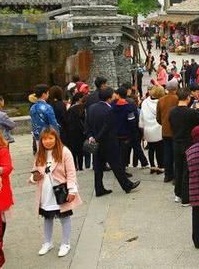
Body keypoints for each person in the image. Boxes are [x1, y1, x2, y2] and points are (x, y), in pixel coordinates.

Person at [29, 128, 82, 257]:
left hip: (60, 191)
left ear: (56, 138)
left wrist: (72, 190)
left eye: (50, 138)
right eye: (44, 139)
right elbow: (34, 171)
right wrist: (34, 178)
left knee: (64, 217)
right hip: (45, 191)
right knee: (47, 217)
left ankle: (65, 243)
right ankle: (47, 242)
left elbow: (71, 173)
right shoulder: (40, 153)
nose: (47, 141)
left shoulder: (64, 152)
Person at [86, 88, 140, 196]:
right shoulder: (109, 110)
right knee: (116, 165)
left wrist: (91, 136)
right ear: (109, 98)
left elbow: (87, 124)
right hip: (108, 142)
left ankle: (99, 188)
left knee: (98, 167)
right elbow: (107, 127)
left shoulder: (91, 108)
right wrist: (98, 137)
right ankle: (126, 185)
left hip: (96, 143)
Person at [169, 88, 199, 205]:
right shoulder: (191, 112)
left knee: (178, 168)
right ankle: (186, 197)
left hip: (176, 142)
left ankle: (177, 194)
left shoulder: (172, 111)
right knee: (187, 170)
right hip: (188, 143)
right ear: (188, 98)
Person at [157, 81, 179, 183]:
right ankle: (175, 176)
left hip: (165, 131)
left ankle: (167, 175)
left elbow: (158, 118)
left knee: (167, 153)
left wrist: (164, 124)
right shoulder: (177, 99)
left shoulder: (161, 100)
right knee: (175, 154)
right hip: (176, 130)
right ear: (176, 89)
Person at [140, 85, 165, 174]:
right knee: (159, 150)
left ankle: (152, 166)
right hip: (158, 129)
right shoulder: (161, 102)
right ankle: (160, 167)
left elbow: (141, 117)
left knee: (151, 149)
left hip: (148, 129)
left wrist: (142, 129)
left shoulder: (145, 102)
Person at [63, 93, 86, 170]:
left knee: (73, 150)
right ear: (79, 99)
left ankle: (74, 166)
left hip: (71, 131)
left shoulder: (70, 108)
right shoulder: (81, 108)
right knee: (80, 150)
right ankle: (80, 166)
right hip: (80, 132)